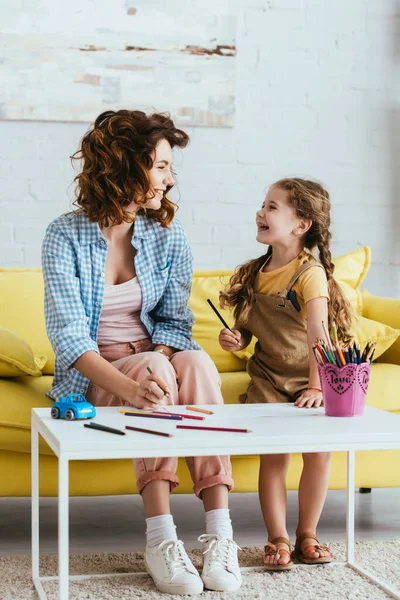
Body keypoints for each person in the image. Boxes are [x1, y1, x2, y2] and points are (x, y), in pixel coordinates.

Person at [41, 109, 242, 595]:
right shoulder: (64, 235)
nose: (170, 179)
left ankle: (221, 534)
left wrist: (161, 365)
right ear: (124, 167)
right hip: (98, 375)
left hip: (157, 358)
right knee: (156, 366)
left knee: (194, 361)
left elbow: (175, 323)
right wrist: (137, 384)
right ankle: (161, 537)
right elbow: (70, 339)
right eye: (161, 166)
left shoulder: (168, 238)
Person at [219, 178, 353, 570]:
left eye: (272, 207)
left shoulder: (309, 274)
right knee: (273, 459)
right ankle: (276, 537)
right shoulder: (255, 272)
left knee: (318, 456)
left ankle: (306, 534)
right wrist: (236, 337)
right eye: (263, 204)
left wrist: (317, 386)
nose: (261, 212)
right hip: (268, 377)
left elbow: (318, 335)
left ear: (301, 225)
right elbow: (248, 327)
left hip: (311, 377)